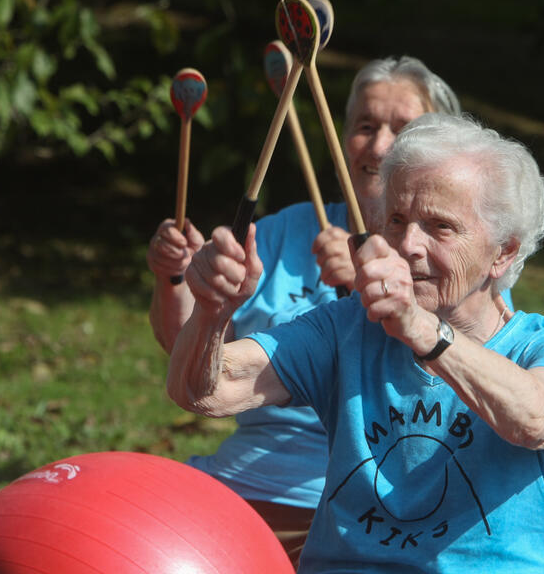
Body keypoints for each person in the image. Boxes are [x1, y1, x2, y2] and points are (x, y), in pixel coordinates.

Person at [167, 113, 544, 573]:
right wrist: (213, 311)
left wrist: (424, 331)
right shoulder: (346, 329)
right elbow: (203, 391)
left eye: (440, 227)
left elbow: (535, 419)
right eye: (396, 220)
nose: (408, 244)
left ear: (504, 252)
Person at [147, 56, 462, 564]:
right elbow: (183, 353)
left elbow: (454, 387)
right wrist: (183, 283)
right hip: (234, 483)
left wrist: (367, 286)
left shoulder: (455, 257)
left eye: (401, 129)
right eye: (365, 126)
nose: (379, 146)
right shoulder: (281, 231)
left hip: (358, 500)